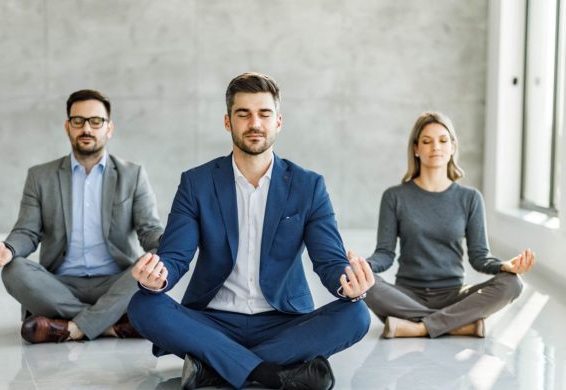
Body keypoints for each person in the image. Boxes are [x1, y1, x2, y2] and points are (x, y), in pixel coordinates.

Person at [127, 72, 374, 390]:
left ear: (278, 122)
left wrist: (350, 285)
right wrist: (156, 279)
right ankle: (272, 374)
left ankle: (214, 369)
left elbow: (329, 262)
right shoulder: (197, 183)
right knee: (144, 305)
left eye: (264, 114)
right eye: (243, 114)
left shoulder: (308, 186)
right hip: (213, 320)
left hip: (283, 321)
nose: (254, 123)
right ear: (228, 122)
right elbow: (174, 257)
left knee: (356, 315)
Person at [0, 89, 163, 343]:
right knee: (13, 270)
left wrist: (171, 244)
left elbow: (149, 230)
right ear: (68, 126)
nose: (86, 128)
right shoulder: (40, 176)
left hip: (115, 281)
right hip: (60, 284)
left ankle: (64, 326)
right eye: (78, 121)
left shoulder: (133, 175)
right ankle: (108, 324)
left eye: (96, 121)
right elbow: (27, 232)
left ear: (109, 128)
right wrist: (8, 250)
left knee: (151, 264)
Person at [358, 111, 535, 339]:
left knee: (512, 284)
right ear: (416, 148)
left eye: (443, 140)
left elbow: (480, 257)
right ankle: (457, 324)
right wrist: (364, 266)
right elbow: (384, 254)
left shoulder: (470, 198)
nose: (436, 147)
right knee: (366, 284)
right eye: (426, 141)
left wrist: (504, 266)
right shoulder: (395, 197)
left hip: (453, 294)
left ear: (452, 147)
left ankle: (418, 327)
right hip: (405, 296)